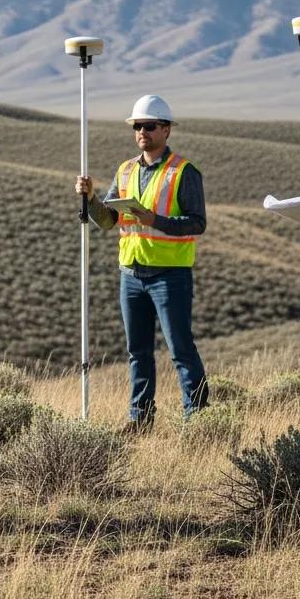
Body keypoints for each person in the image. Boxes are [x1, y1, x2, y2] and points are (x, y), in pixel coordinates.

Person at [75, 94, 208, 433]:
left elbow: (197, 223)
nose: (142, 132)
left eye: (149, 126)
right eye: (138, 126)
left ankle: (200, 421)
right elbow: (107, 220)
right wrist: (90, 198)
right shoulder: (126, 170)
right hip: (131, 274)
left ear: (166, 130)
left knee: (180, 350)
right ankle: (140, 419)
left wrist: (155, 220)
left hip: (170, 275)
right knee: (138, 352)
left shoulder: (184, 171)